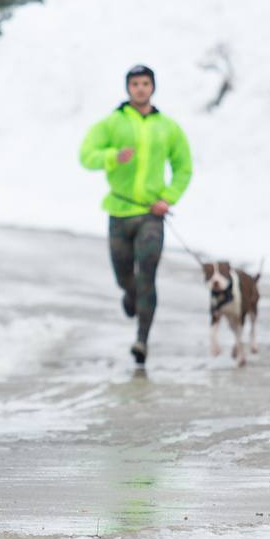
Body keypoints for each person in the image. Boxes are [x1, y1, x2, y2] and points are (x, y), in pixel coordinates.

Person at [79, 64, 192, 365]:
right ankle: (129, 296)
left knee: (148, 274)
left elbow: (184, 167)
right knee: (125, 276)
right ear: (127, 88)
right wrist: (112, 157)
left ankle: (142, 340)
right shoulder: (113, 123)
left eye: (145, 83)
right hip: (119, 211)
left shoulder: (167, 127)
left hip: (151, 214)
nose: (140, 89)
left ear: (153, 87)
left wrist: (168, 197)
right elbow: (86, 156)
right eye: (135, 84)